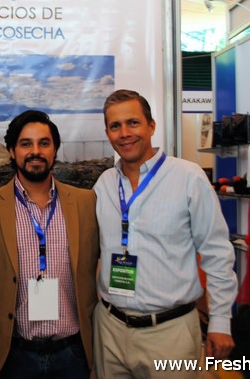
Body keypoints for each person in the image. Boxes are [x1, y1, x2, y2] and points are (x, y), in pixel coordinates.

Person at [93, 90, 237, 378]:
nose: (124, 133)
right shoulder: (104, 183)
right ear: (108, 133)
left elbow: (217, 252)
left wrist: (220, 321)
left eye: (133, 122)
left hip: (169, 332)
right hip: (110, 330)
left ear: (151, 126)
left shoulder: (188, 177)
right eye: (115, 126)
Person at [0, 110, 99, 378]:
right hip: (11, 354)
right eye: (26, 144)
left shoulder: (86, 202)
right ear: (12, 151)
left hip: (72, 353)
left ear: (55, 150)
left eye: (44, 143)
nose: (35, 151)